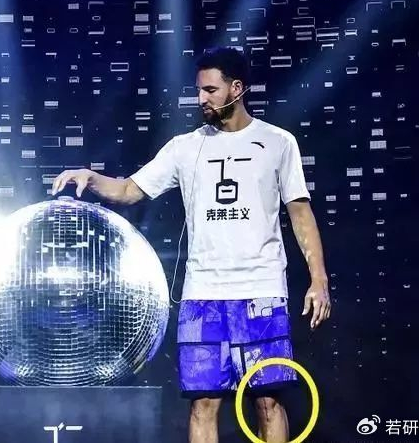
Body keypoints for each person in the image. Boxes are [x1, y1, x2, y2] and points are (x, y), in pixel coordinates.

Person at [51, 47, 331, 443]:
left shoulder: (277, 143)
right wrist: (91, 178)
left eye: (211, 90)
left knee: (268, 401)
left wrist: (319, 280)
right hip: (203, 297)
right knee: (203, 404)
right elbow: (129, 189)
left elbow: (300, 213)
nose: (202, 99)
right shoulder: (184, 147)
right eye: (199, 90)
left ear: (237, 88)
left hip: (261, 291)